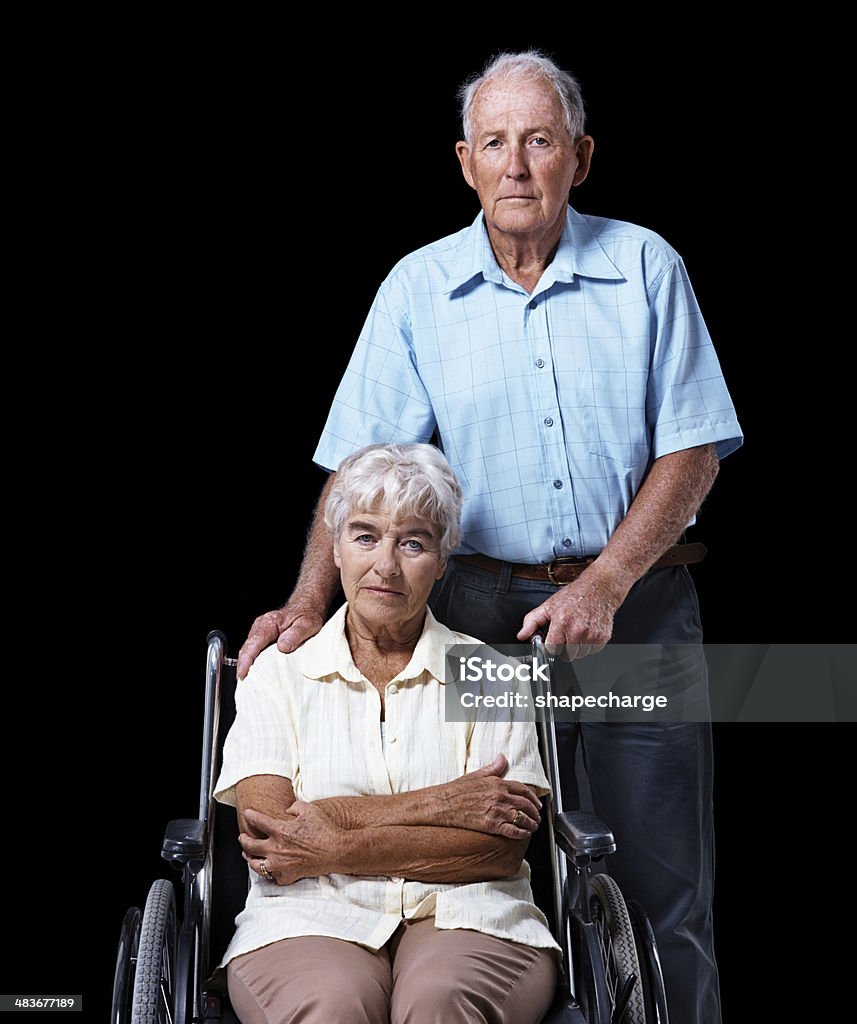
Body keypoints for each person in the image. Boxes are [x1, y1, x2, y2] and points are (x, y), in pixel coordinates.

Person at [238, 50, 742, 1023]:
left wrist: (602, 581)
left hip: (632, 611)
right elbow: (354, 468)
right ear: (465, 162)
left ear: (579, 158)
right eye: (496, 144)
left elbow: (691, 454)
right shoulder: (418, 289)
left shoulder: (644, 267)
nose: (516, 166)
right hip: (472, 619)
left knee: (661, 881)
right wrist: (309, 604)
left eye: (540, 141)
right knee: (479, 868)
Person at [215, 442, 560, 1024]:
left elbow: (498, 850)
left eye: (414, 542)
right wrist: (446, 803)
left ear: (443, 559)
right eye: (366, 535)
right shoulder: (279, 671)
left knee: (439, 1003)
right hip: (308, 916)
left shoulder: (490, 673)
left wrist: (336, 841)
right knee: (331, 1007)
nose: (386, 566)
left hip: (470, 914)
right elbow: (271, 837)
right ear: (336, 548)